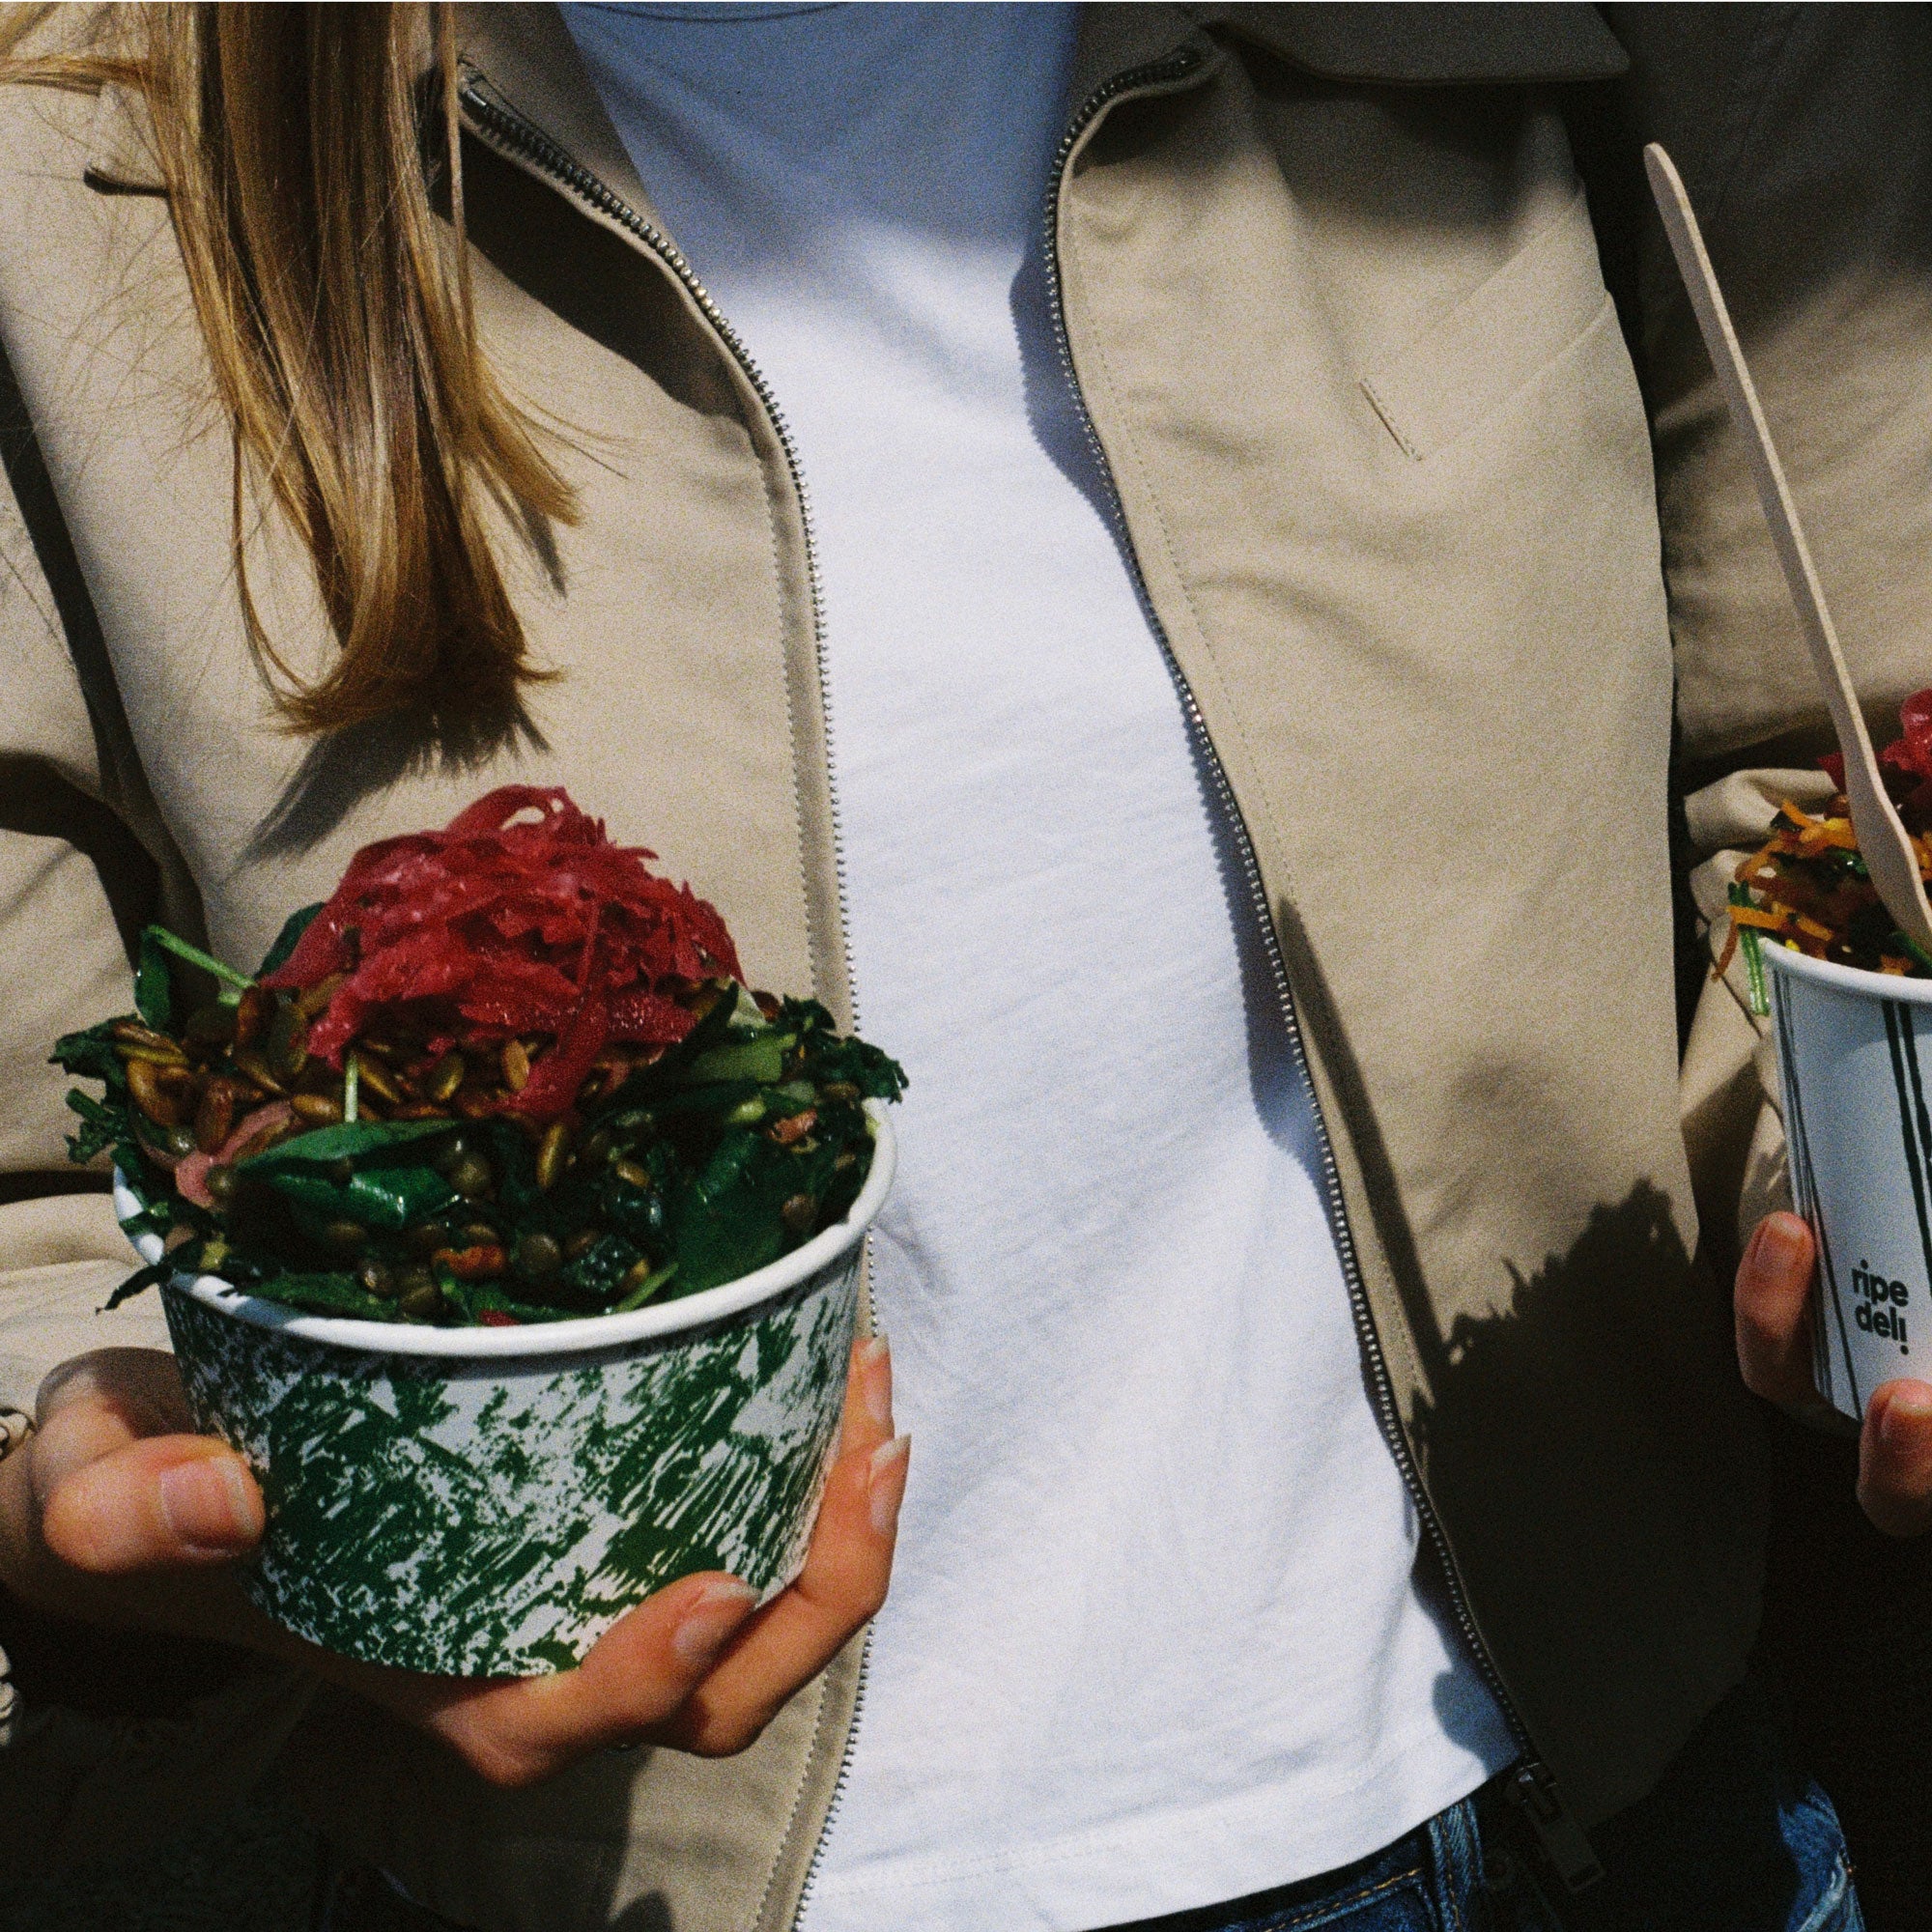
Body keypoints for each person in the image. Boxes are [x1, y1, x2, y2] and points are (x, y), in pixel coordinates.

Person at [0, 5, 1919, 1929]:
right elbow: (39, 1218)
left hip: (1595, 1808)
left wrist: (1866, 1194)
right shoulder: (68, 143)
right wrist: (108, 1502)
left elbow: (1833, 786)